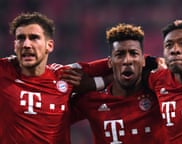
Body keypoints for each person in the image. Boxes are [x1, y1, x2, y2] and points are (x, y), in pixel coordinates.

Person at [0, 12, 106, 144]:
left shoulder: (63, 76)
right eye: (21, 38)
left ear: (49, 45)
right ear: (15, 46)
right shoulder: (3, 71)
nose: (26, 44)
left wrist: (99, 83)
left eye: (34, 38)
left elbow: (110, 66)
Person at [69, 23, 165, 144]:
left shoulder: (159, 94)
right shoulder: (92, 99)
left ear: (143, 60)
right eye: (120, 55)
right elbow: (50, 115)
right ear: (109, 62)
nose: (127, 61)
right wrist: (97, 83)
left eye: (134, 54)